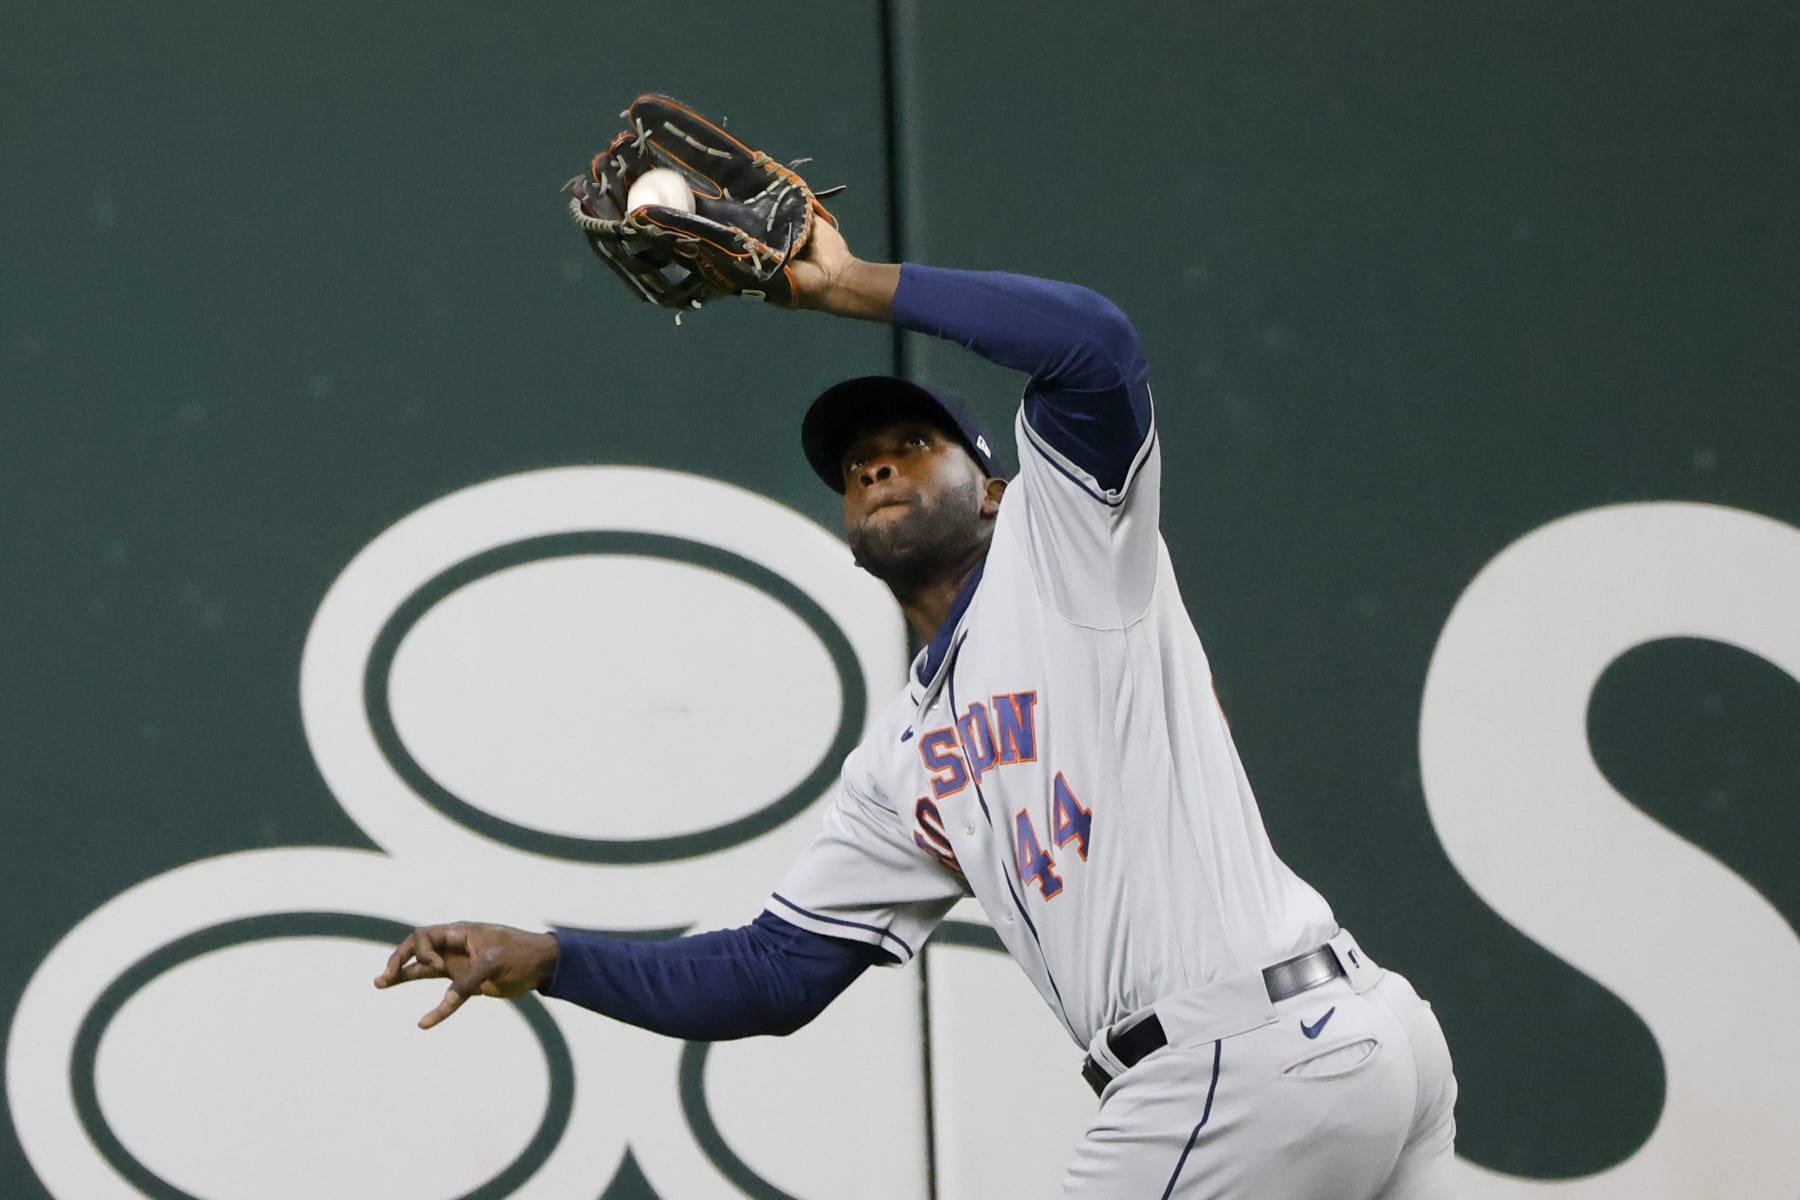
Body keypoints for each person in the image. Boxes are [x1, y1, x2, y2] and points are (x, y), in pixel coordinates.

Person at [374, 215, 1459, 1198]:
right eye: (855, 466)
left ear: (990, 486)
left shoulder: (1064, 550)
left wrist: (846, 285)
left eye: (911, 448)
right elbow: (776, 970)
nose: (877, 468)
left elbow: (1095, 344)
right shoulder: (903, 759)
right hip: (1351, 1050)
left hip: (1240, 1063)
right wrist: (557, 959)